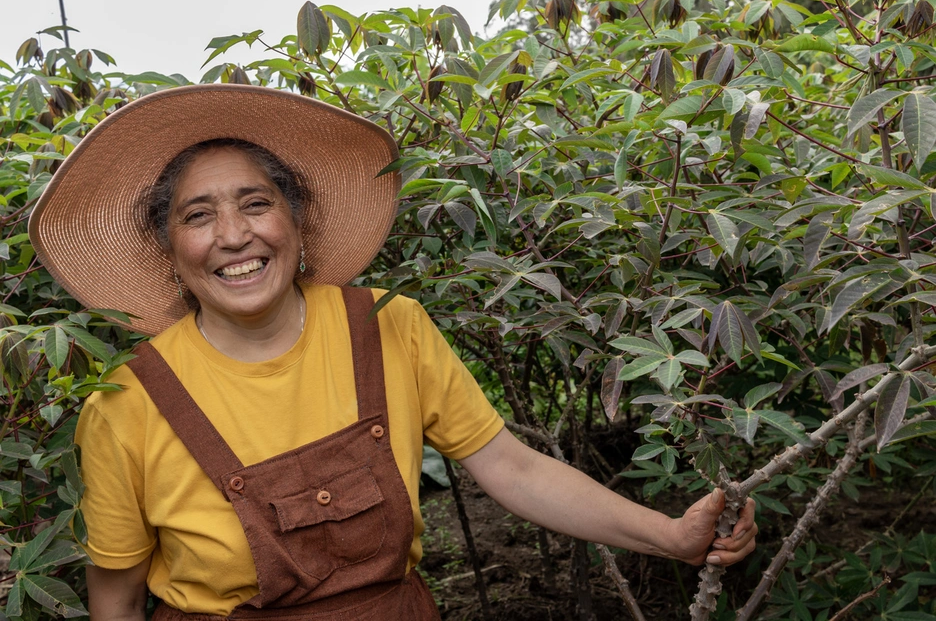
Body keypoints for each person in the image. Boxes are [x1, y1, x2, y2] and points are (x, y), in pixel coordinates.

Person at [29, 85, 757, 620]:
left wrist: (669, 536)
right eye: (198, 215)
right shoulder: (128, 404)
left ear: (298, 220)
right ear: (169, 248)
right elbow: (118, 596)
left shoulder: (389, 326)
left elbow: (511, 467)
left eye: (256, 204)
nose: (232, 236)